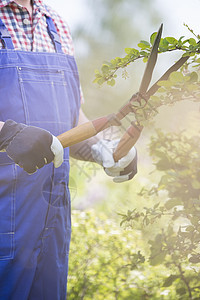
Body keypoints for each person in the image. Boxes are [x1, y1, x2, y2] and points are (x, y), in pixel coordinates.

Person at [0, 0, 137, 299]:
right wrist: (6, 133)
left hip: (52, 216)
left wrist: (102, 149)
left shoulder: (56, 24)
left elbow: (71, 118)